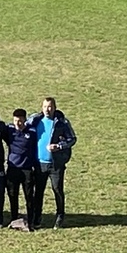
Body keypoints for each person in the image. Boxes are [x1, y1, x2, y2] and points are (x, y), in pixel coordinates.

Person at [27, 97, 77, 229]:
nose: (47, 110)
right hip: (39, 163)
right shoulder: (36, 121)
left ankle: (60, 215)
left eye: (49, 107)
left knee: (57, 189)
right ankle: (37, 217)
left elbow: (72, 138)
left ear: (54, 107)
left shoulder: (62, 123)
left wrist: (59, 146)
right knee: (38, 191)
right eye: (45, 107)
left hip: (56, 164)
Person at [6, 109, 37, 232]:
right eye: (15, 121)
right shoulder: (9, 130)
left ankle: (31, 220)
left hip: (27, 169)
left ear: (25, 119)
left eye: (20, 121)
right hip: (13, 169)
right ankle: (14, 219)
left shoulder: (32, 132)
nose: (17, 123)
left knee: (29, 196)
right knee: (12, 195)